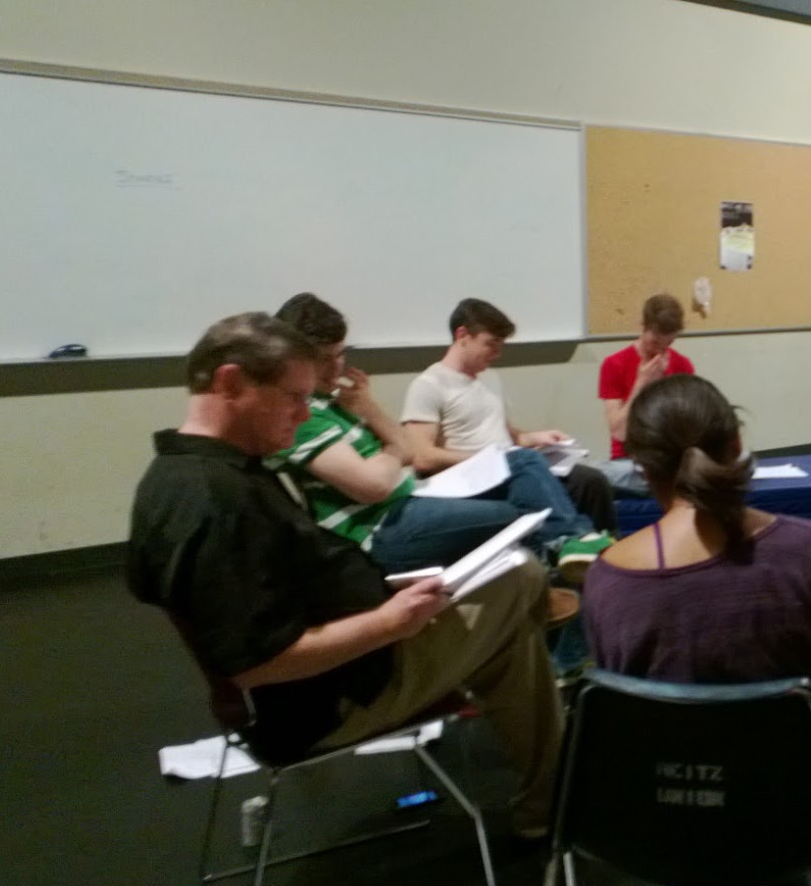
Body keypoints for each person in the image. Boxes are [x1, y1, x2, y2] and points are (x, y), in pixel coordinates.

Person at [127, 313, 563, 837]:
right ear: (231, 383)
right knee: (521, 578)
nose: (304, 412)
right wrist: (390, 622)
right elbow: (257, 664)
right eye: (293, 397)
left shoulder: (178, 475)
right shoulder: (216, 501)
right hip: (336, 699)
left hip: (338, 671)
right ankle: (555, 800)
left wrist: (389, 601)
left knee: (508, 632)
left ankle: (551, 801)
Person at [584, 374, 811, 886]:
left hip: (660, 824)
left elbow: (628, 717)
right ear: (736, 445)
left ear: (641, 467)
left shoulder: (607, 577)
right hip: (791, 819)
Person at [268, 293, 595, 580]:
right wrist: (393, 452)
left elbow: (405, 451)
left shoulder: (337, 401)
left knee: (553, 474)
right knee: (524, 511)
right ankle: (572, 553)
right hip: (382, 528)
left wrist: (370, 411)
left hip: (408, 501)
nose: (336, 368)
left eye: (340, 354)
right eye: (323, 359)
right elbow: (381, 481)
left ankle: (573, 553)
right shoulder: (304, 416)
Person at [401, 297, 618, 536]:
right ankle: (574, 538)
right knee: (527, 468)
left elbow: (509, 437)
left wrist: (538, 437)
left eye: (500, 345)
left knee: (591, 481)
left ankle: (604, 550)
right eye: (490, 344)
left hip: (510, 469)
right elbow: (422, 457)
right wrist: (490, 459)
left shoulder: (490, 378)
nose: (497, 354)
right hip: (470, 480)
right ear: (462, 335)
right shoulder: (429, 385)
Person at [597, 293, 695, 495]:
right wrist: (641, 383)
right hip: (629, 463)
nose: (660, 350)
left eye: (668, 343)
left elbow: (688, 429)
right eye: (655, 342)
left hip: (669, 461)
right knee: (596, 475)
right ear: (643, 325)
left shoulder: (682, 365)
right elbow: (619, 433)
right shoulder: (614, 364)